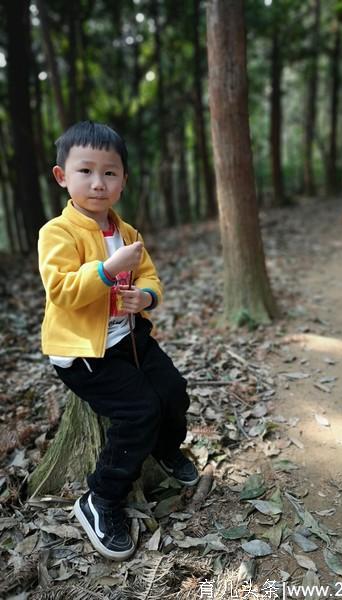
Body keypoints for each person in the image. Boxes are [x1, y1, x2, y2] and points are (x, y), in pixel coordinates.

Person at [38, 121, 199, 561]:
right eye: (85, 171)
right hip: (84, 350)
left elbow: (149, 276)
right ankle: (100, 500)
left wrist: (144, 295)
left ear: (123, 180)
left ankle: (166, 450)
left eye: (110, 173)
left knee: (172, 390)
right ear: (62, 177)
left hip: (129, 335)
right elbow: (62, 290)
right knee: (138, 411)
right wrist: (107, 273)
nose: (98, 182)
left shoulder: (125, 232)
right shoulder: (58, 233)